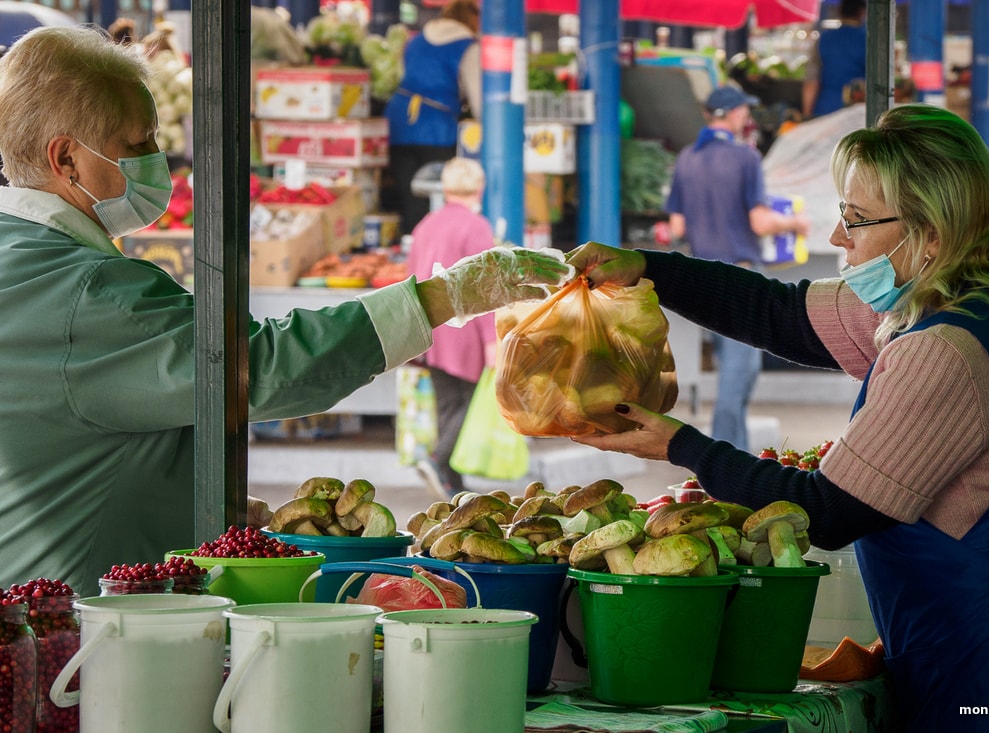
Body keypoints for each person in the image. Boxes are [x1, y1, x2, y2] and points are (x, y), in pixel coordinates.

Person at [568, 104, 989, 731]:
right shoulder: (944, 303)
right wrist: (649, 268)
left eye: (855, 219)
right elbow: (777, 313)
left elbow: (827, 510)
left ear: (931, 235)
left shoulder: (943, 349)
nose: (837, 238)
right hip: (983, 644)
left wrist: (683, 447)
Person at [0, 26, 571, 598]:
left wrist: (188, 497)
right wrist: (446, 296)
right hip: (71, 635)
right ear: (66, 157)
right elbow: (261, 365)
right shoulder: (89, 291)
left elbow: (73, 444)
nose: (158, 160)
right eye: (140, 143)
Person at [665, 84, 809, 449]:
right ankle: (725, 456)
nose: (747, 117)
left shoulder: (687, 158)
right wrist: (794, 223)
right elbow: (760, 222)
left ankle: (737, 456)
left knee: (739, 368)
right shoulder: (745, 157)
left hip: (702, 277)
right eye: (744, 110)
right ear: (731, 113)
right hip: (740, 277)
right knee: (738, 371)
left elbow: (677, 227)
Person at [405, 157, 497, 499]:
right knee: (469, 406)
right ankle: (436, 460)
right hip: (465, 331)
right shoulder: (476, 226)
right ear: (479, 188)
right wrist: (492, 339)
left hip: (433, 329)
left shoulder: (426, 224)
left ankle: (452, 484)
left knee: (448, 406)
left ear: (444, 189)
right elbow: (484, 287)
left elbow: (411, 276)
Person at [384, 0, 481, 237]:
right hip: (436, 127)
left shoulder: (416, 41)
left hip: (400, 120)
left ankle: (411, 249)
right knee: (440, 193)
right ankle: (437, 251)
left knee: (410, 196)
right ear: (471, 20)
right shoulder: (468, 46)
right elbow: (477, 95)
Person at [801, 0, 867, 119]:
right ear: (861, 13)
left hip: (825, 111)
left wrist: (806, 116)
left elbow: (811, 82)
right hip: (857, 114)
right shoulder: (868, 41)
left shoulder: (824, 39)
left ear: (839, 12)